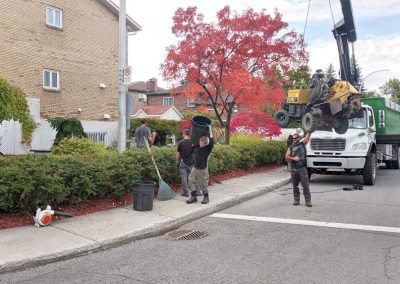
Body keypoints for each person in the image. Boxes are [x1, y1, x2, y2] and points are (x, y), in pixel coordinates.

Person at [186, 125, 214, 205]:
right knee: (190, 180)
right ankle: (193, 196)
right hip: (195, 168)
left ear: (205, 144)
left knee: (203, 184)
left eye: (202, 143)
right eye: (200, 142)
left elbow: (212, 141)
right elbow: (191, 147)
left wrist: (210, 129)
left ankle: (206, 197)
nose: (201, 144)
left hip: (202, 169)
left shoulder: (207, 150)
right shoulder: (196, 147)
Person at [285, 132, 312, 207]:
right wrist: (294, 158)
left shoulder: (302, 144)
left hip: (302, 168)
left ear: (299, 138)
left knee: (305, 185)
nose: (294, 139)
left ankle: (308, 201)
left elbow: (307, 138)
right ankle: (296, 200)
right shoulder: (290, 147)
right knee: (295, 186)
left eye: (296, 138)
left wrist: (309, 131)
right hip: (294, 169)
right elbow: (286, 157)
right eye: (293, 138)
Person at [176, 129, 201, 197]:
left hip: (183, 162)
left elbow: (178, 154)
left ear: (184, 134)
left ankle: (186, 192)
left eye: (183, 133)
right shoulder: (193, 142)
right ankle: (198, 191)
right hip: (191, 162)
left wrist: (177, 160)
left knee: (183, 177)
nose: (182, 134)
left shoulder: (180, 142)